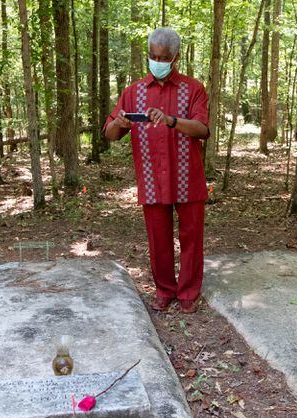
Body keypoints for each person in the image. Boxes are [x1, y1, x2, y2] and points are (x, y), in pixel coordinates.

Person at [103, 27, 209, 314]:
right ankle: (165, 290)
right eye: (152, 56)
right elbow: (109, 133)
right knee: (158, 238)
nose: (157, 61)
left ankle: (188, 293)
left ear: (175, 57)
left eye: (163, 57)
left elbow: (202, 129)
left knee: (191, 237)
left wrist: (173, 120)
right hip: (152, 178)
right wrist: (120, 124)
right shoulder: (133, 91)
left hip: (188, 177)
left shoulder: (193, 88)